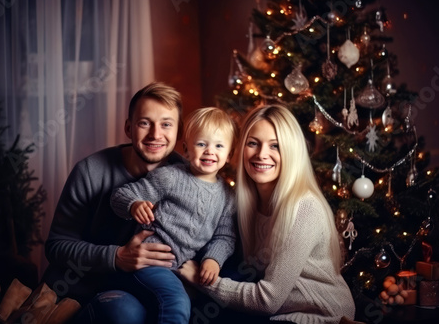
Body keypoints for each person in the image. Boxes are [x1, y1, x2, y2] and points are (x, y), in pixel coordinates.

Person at [179, 104, 356, 324]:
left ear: (291, 152)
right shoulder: (243, 202)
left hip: (321, 315)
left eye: (275, 146)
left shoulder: (304, 207)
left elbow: (267, 300)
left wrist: (201, 279)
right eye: (253, 143)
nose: (262, 154)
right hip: (277, 313)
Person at [42, 82, 185, 324]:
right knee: (124, 312)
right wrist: (116, 257)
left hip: (146, 288)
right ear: (129, 128)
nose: (155, 135)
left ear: (178, 133)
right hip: (85, 292)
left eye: (166, 124)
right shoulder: (91, 171)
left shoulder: (188, 178)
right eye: (144, 123)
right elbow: (56, 246)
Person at [110, 107, 238, 323]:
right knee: (176, 302)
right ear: (187, 150)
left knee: (200, 304)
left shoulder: (227, 196)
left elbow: (225, 236)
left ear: (229, 154)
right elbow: (121, 194)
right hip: (148, 263)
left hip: (179, 268)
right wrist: (134, 205)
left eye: (218, 145)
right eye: (201, 144)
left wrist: (213, 260)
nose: (209, 151)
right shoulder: (169, 177)